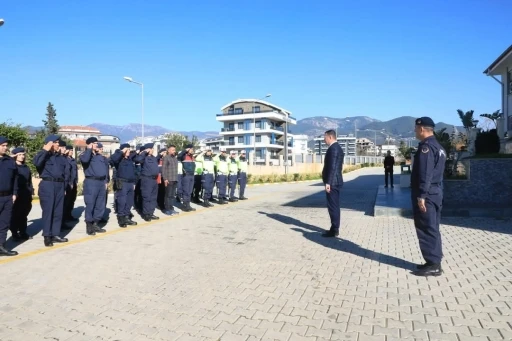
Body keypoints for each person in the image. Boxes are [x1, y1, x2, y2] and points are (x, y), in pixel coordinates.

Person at [411, 117, 446, 277]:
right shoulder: (438, 147)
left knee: (426, 228)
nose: (415, 131)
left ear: (422, 129)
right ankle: (433, 260)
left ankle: (434, 264)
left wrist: (422, 196)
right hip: (436, 193)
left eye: (416, 128)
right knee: (433, 227)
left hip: (428, 194)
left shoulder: (426, 147)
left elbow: (426, 173)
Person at [33, 134, 69, 247]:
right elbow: (37, 163)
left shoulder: (60, 157)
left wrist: (64, 186)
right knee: (48, 211)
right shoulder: (43, 155)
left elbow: (65, 173)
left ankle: (55, 234)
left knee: (58, 211)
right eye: (56, 142)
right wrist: (45, 150)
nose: (58, 144)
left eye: (58, 142)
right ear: (50, 143)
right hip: (48, 184)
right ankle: (47, 236)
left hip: (59, 185)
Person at [79, 137, 107, 235]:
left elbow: (105, 170)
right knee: (90, 204)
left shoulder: (100, 157)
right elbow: (85, 161)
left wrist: (105, 181)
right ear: (90, 144)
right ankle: (89, 225)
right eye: (95, 143)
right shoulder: (84, 155)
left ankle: (96, 223)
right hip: (91, 182)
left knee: (100, 204)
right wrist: (89, 149)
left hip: (101, 182)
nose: (97, 145)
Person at [321, 130, 344, 238]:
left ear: (330, 137)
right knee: (334, 206)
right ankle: (334, 227)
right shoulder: (337, 148)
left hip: (333, 182)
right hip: (335, 181)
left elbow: (333, 167)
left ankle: (334, 229)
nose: (323, 139)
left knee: (333, 206)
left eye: (324, 137)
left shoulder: (334, 149)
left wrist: (328, 182)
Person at [110, 143, 138, 227]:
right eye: (127, 149)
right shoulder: (119, 159)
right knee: (122, 201)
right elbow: (113, 159)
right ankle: (121, 218)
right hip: (122, 182)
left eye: (129, 149)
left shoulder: (129, 159)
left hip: (130, 183)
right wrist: (122, 151)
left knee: (129, 201)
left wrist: (134, 183)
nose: (129, 151)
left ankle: (127, 217)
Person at [0, 137, 19, 256]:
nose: (5, 147)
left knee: (4, 223)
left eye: (6, 145)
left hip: (7, 197)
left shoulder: (10, 161)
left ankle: (1, 246)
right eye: (2, 145)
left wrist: (15, 193)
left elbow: (15, 179)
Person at [10, 147, 33, 241]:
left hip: (26, 193)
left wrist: (31, 191)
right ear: (15, 156)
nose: (22, 156)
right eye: (19, 155)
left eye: (23, 154)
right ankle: (14, 233)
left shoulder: (26, 167)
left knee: (24, 214)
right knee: (15, 214)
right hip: (16, 193)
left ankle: (23, 232)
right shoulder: (12, 167)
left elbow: (29, 181)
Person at [134, 143, 160, 221]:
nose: (153, 150)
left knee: (153, 197)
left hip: (154, 180)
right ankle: (146, 214)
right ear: (148, 149)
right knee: (146, 197)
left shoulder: (153, 158)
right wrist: (144, 152)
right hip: (146, 179)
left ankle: (151, 213)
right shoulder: (143, 158)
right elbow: (137, 160)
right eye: (152, 149)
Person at [161, 145, 180, 215]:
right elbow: (163, 169)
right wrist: (165, 179)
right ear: (168, 150)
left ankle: (171, 208)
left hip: (175, 179)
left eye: (174, 150)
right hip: (169, 179)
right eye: (172, 150)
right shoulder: (166, 158)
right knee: (168, 195)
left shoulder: (175, 158)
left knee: (172, 195)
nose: (174, 151)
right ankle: (167, 209)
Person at [177, 144, 196, 212]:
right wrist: (185, 150)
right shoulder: (184, 156)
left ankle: (188, 204)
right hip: (186, 175)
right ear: (188, 149)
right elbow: (178, 156)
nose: (193, 150)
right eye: (191, 149)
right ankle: (185, 205)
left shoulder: (192, 157)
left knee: (190, 191)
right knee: (186, 191)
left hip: (192, 175)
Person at [63, 145, 78, 223]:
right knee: (66, 201)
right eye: (70, 150)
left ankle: (69, 214)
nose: (71, 151)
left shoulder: (73, 160)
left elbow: (75, 172)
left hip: (74, 182)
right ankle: (64, 217)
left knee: (72, 200)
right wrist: (69, 182)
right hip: (68, 183)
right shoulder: (64, 159)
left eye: (72, 150)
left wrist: (76, 181)